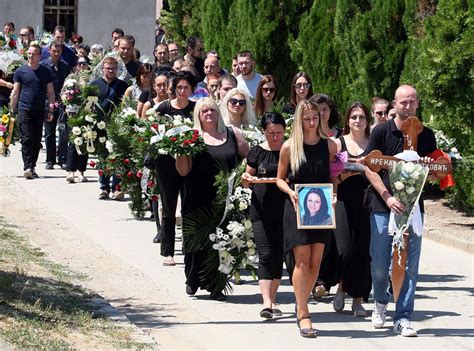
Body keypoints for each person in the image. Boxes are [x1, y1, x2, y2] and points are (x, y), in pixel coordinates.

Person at [364, 84, 437, 337]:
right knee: (381, 265)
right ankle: (381, 302)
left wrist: (429, 167)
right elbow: (369, 167)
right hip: (383, 208)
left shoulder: (426, 135)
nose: (407, 107)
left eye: (412, 102)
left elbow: (431, 172)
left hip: (414, 210)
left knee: (409, 266)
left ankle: (403, 317)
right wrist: (387, 197)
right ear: (394, 104)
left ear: (417, 103)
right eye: (402, 102)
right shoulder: (382, 131)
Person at [176, 97, 248, 300]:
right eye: (204, 111)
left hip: (225, 198)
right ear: (198, 115)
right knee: (196, 240)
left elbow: (247, 158)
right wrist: (180, 151)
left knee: (223, 242)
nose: (209, 114)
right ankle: (192, 279)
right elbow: (183, 171)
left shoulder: (233, 134)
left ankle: (216, 285)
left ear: (218, 112)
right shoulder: (191, 137)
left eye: (212, 110)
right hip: (197, 197)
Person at [276, 99, 337, 338]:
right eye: (307, 119)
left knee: (316, 262)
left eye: (315, 118)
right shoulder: (290, 147)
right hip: (297, 207)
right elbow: (280, 178)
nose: (312, 122)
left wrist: (333, 195)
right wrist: (291, 192)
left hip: (321, 210)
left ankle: (301, 299)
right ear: (299, 120)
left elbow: (332, 178)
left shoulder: (329, 146)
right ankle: (303, 312)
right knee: (301, 260)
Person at [241, 112, 286, 319]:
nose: (275, 136)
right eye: (270, 133)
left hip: (285, 209)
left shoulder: (290, 151)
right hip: (260, 209)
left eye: (278, 132)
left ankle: (273, 299)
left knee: (278, 255)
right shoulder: (257, 152)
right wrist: (247, 178)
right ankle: (266, 302)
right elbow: (247, 178)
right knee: (266, 253)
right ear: (264, 132)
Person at [332, 102, 372, 317]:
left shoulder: (373, 143)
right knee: (346, 250)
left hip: (368, 201)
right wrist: (340, 178)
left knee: (363, 251)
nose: (358, 121)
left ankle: (358, 300)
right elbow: (331, 175)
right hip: (343, 200)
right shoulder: (338, 144)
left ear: (368, 121)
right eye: (354, 117)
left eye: (362, 117)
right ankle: (341, 285)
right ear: (347, 120)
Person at [152, 71, 197, 264]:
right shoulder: (164, 108)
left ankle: (189, 247)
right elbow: (152, 131)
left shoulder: (196, 109)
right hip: (166, 164)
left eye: (186, 87)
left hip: (190, 163)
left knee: (188, 206)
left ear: (191, 90)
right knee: (169, 207)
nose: (182, 91)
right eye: (179, 87)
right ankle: (168, 251)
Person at [10, 44, 55, 179]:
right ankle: (27, 166)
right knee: (26, 138)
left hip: (39, 109)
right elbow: (15, 92)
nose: (30, 56)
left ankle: (32, 166)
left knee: (36, 139)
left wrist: (51, 109)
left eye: (33, 54)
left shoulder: (46, 72)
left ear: (39, 56)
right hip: (24, 108)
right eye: (29, 53)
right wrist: (12, 110)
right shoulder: (21, 71)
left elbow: (51, 92)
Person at [90, 56, 129, 199]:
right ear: (102, 69)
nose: (110, 71)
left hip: (117, 126)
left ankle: (116, 188)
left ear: (117, 70)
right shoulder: (95, 84)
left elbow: (127, 104)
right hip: (99, 125)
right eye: (108, 68)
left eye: (113, 68)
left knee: (117, 156)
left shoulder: (123, 86)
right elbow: (89, 105)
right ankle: (104, 188)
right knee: (103, 157)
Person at [40, 40, 72, 170]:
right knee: (49, 132)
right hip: (48, 103)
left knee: (63, 132)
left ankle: (62, 158)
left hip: (62, 103)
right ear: (49, 51)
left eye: (59, 51)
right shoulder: (43, 66)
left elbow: (69, 83)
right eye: (54, 51)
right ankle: (50, 159)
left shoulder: (65, 66)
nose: (56, 53)